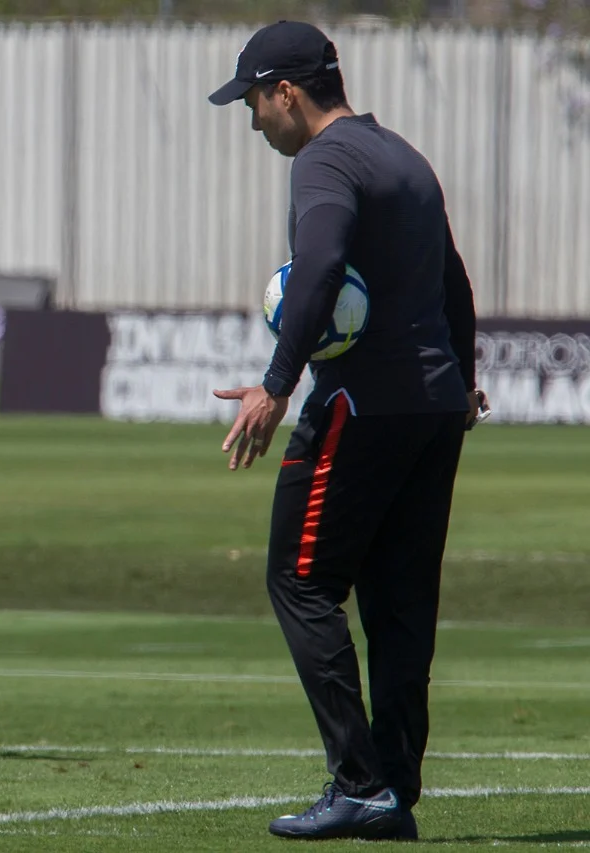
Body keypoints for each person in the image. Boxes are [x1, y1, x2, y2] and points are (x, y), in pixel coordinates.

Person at [207, 20, 487, 842]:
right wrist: (462, 380)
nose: (254, 119)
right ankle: (394, 785)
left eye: (254, 101)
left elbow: (322, 264)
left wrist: (274, 386)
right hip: (433, 409)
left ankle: (358, 781)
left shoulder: (323, 161)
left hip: (361, 407)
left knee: (300, 581)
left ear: (286, 92)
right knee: (400, 602)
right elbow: (454, 279)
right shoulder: (401, 154)